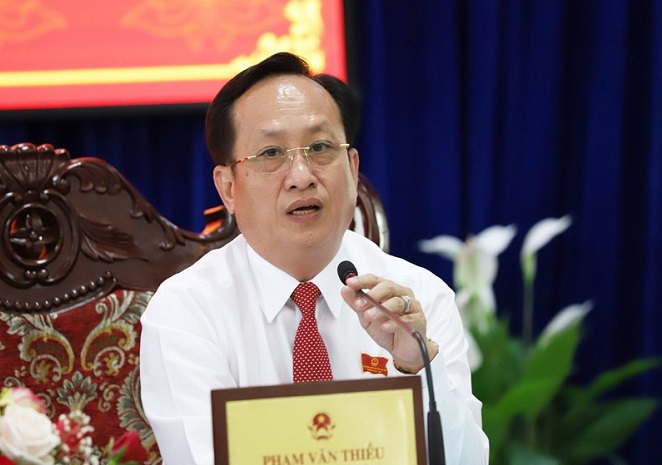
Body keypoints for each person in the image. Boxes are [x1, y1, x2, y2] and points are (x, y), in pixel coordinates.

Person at [139, 51, 489, 464]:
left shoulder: (419, 299)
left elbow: (467, 460)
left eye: (320, 147)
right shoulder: (186, 312)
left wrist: (417, 365)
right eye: (271, 153)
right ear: (228, 187)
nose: (302, 176)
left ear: (352, 168)